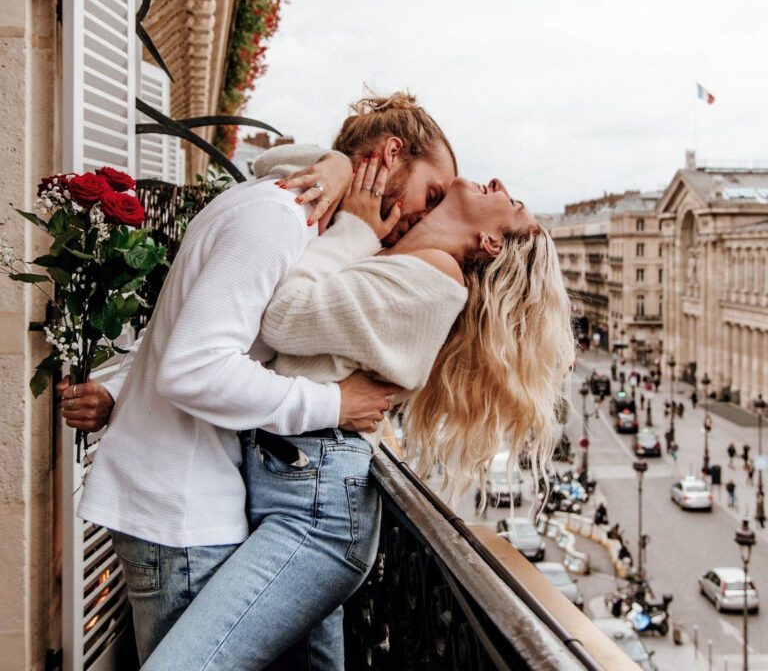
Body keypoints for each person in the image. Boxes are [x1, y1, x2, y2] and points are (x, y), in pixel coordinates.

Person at [73, 91, 459, 665]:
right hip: (184, 512)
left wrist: (119, 390)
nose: (426, 215)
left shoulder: (285, 212)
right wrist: (332, 405)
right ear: (389, 154)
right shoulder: (276, 217)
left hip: (192, 500)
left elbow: (189, 333)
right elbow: (194, 368)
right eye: (430, 195)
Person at [142, 171, 574, 669]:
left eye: (512, 201)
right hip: (295, 483)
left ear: (491, 242)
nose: (498, 181)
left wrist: (353, 231)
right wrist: (336, 167)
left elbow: (282, 316)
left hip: (316, 507)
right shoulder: (406, 259)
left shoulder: (433, 276)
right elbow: (292, 180)